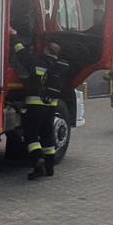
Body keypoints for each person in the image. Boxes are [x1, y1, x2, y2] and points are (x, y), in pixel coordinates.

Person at [21, 42, 68, 179]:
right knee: (48, 135)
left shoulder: (37, 61)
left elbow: (23, 56)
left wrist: (14, 36)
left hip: (35, 105)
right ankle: (50, 167)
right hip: (51, 105)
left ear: (46, 49)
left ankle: (38, 162)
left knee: (31, 135)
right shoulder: (59, 67)